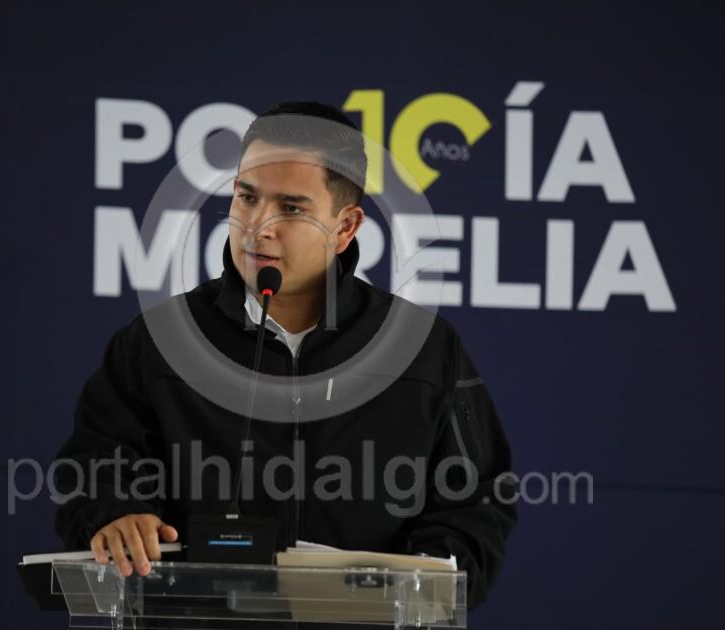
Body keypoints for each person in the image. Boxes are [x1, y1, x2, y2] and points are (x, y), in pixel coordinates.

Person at [53, 101, 516, 609]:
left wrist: (422, 579)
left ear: (345, 228)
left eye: (291, 209)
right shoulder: (159, 340)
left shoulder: (424, 347)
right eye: (247, 197)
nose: (257, 227)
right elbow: (93, 465)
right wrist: (114, 512)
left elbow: (478, 501)